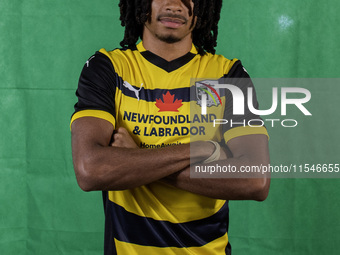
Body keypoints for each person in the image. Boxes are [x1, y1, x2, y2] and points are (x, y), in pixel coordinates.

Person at [71, 0, 270, 254]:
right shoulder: (109, 68)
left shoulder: (226, 74)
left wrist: (136, 158)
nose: (175, 5)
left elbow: (255, 180)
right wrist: (200, 149)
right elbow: (90, 170)